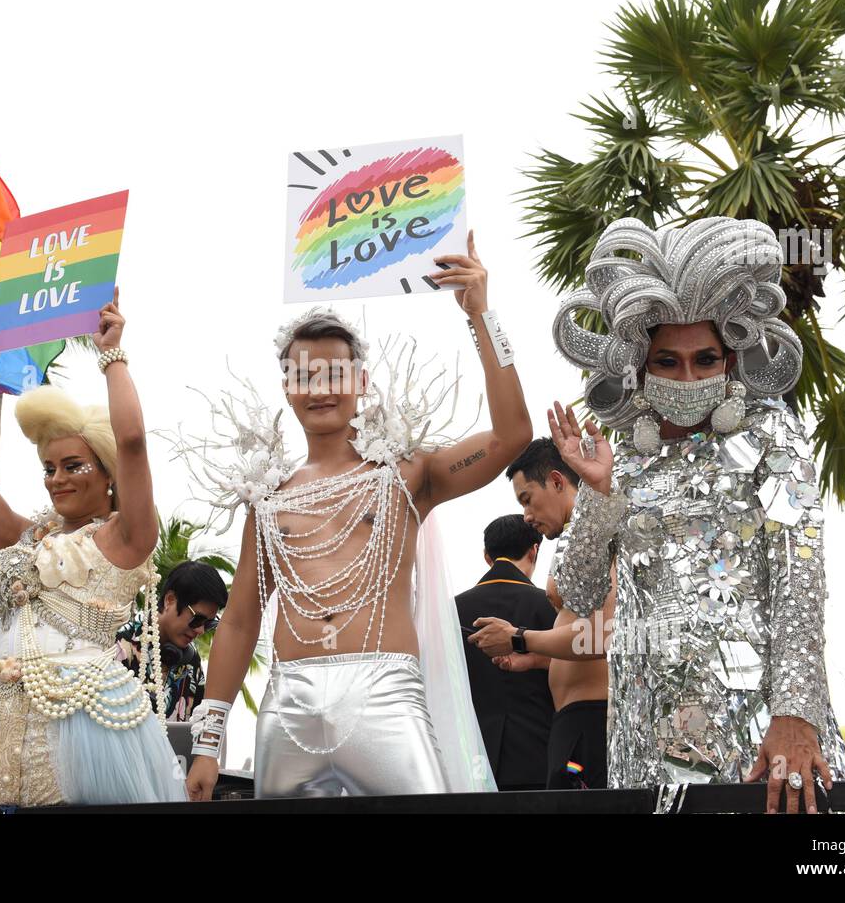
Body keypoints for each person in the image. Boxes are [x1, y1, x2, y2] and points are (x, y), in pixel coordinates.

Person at [184, 232, 533, 800]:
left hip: (385, 696)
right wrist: (208, 738)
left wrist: (480, 317)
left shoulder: (405, 474)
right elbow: (242, 618)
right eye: (305, 376)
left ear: (361, 382)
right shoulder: (268, 497)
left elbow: (512, 434)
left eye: (335, 373)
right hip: (288, 704)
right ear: (288, 390)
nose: (321, 388)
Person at [547, 216, 845, 813]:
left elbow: (800, 575)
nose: (687, 376)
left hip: (760, 735)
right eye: (668, 361)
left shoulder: (772, 436)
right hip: (646, 745)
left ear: (730, 363)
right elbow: (579, 596)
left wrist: (795, 714)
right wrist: (600, 496)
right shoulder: (618, 458)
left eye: (704, 359)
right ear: (641, 364)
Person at [0, 289, 184, 810]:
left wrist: (112, 354)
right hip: (10, 715)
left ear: (106, 474)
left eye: (74, 465)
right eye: (49, 468)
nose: (57, 479)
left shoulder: (126, 536)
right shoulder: (29, 537)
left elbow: (134, 442)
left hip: (89, 720)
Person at [468, 437, 611, 790]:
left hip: (591, 722)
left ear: (557, 482)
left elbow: (601, 638)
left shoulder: (603, 535)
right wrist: (537, 659)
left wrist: (517, 638)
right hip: (573, 721)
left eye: (527, 499)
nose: (527, 516)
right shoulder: (578, 541)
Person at [453, 515, 555, 791]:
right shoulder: (550, 607)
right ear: (534, 550)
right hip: (539, 752)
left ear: (487, 557)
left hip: (470, 756)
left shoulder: (451, 610)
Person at [116, 559, 228, 721]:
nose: (200, 630)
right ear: (170, 600)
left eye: (209, 623)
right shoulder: (120, 644)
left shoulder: (192, 661)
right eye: (197, 619)